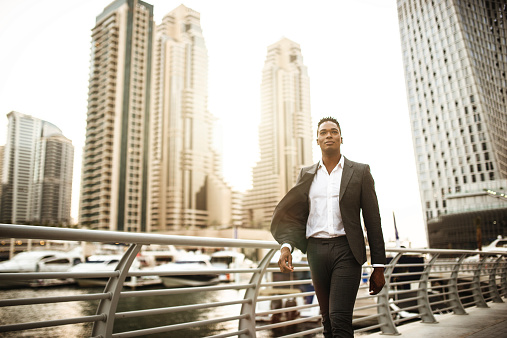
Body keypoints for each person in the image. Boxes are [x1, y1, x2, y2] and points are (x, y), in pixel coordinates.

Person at [270, 116, 386, 337]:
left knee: (340, 319)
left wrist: (379, 267)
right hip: (316, 252)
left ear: (341, 138)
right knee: (328, 321)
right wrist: (286, 246)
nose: (329, 135)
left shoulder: (360, 172)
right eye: (323, 132)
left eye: (333, 131)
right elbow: (296, 216)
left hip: (347, 251)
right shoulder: (306, 174)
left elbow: (373, 220)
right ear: (317, 140)